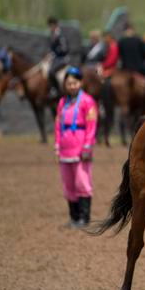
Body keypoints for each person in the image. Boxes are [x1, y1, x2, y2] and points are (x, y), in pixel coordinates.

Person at [54, 67, 98, 228]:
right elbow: (58, 125)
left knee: (82, 182)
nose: (72, 86)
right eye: (69, 83)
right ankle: (73, 217)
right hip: (65, 148)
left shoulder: (87, 101)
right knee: (68, 184)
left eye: (75, 83)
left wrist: (87, 146)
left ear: (80, 83)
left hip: (80, 148)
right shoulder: (62, 102)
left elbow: (91, 125)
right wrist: (57, 145)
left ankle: (84, 218)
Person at [46, 17, 71, 99]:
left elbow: (64, 49)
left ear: (55, 25)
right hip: (56, 58)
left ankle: (55, 89)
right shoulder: (52, 35)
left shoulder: (61, 35)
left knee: (51, 71)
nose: (50, 28)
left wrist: (53, 54)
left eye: (51, 26)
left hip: (62, 58)